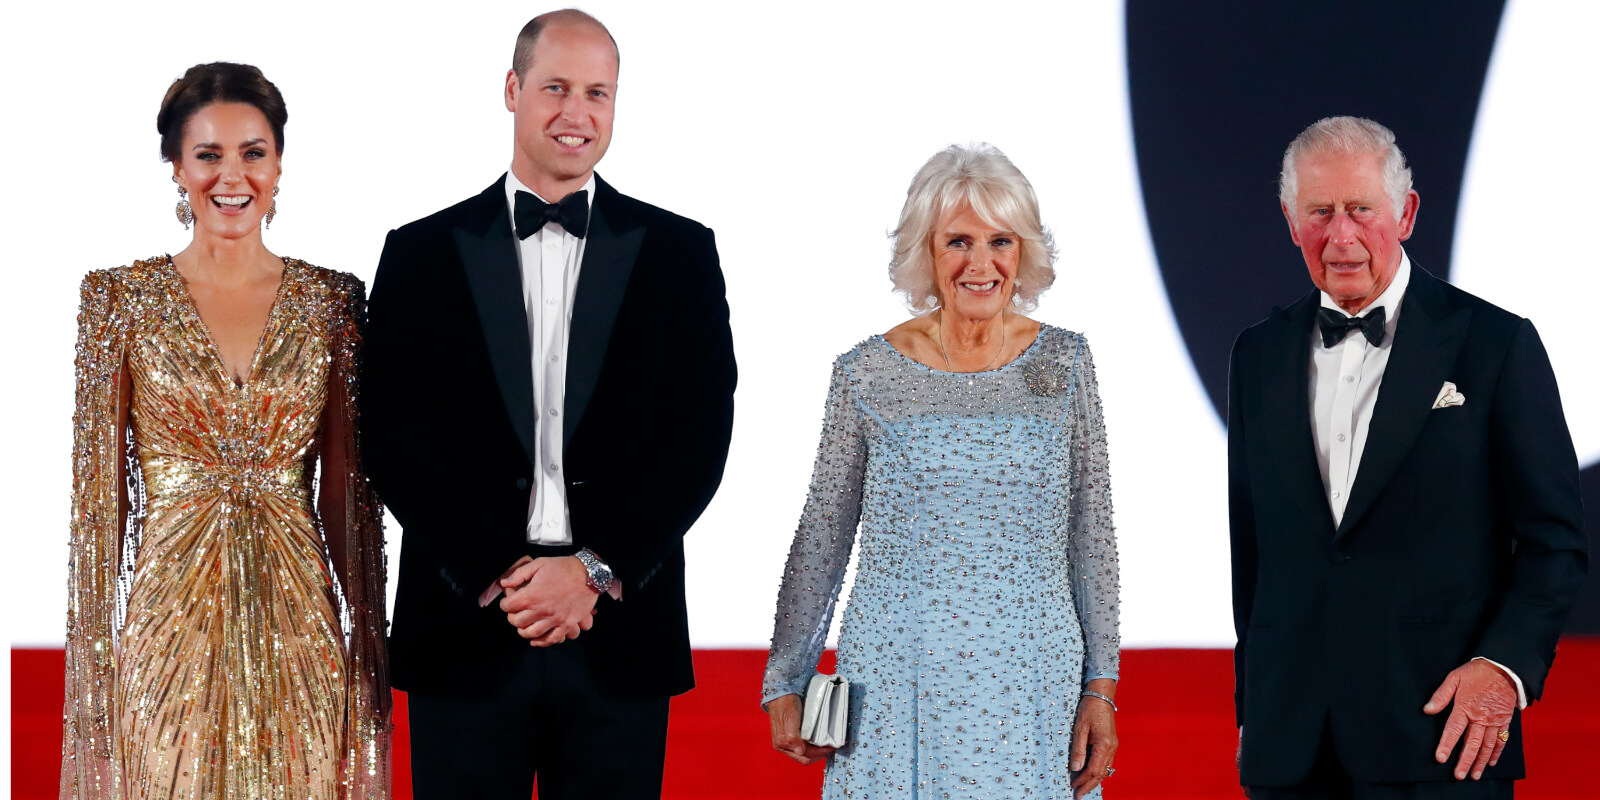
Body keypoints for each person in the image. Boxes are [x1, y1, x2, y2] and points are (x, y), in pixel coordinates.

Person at [360, 9, 736, 799]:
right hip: (466, 632)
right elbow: (393, 436)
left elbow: (699, 436)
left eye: (598, 93)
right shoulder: (420, 252)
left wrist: (593, 572)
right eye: (556, 88)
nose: (577, 113)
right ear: (512, 90)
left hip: (620, 636)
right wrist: (502, 573)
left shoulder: (682, 253)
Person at [1228, 116, 1588, 799]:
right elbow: (1254, 554)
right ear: (1289, 220)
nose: (1341, 235)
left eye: (1361, 209)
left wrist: (1503, 668)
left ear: (1407, 213)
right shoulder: (1257, 354)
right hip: (1290, 751)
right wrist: (1257, 711)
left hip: (1441, 741)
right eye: (1320, 212)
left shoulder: (1495, 344)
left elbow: (1554, 542)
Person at [59, 62, 390, 799]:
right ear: (176, 166)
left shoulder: (332, 303)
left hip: (299, 621)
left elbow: (345, 491)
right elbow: (99, 509)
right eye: (208, 154)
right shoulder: (118, 302)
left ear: (278, 163)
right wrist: (96, 675)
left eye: (252, 152)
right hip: (166, 624)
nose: (231, 176)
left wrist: (366, 646)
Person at [763, 143, 1121, 799]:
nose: (980, 264)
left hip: (1034, 683)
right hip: (894, 684)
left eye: (1000, 241)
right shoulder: (865, 373)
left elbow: (1092, 537)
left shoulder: (1066, 365)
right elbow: (822, 534)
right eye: (958, 241)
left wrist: (1103, 687)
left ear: (1025, 252)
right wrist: (786, 677)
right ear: (926, 251)